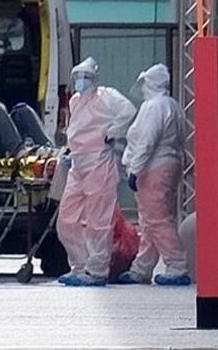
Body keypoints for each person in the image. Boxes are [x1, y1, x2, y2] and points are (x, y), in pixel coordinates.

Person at [55, 58, 138, 287]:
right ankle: (80, 265)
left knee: (98, 222)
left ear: (95, 78)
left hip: (99, 163)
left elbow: (128, 111)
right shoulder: (75, 101)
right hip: (78, 165)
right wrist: (71, 152)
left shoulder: (107, 97)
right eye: (78, 77)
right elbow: (76, 130)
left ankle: (97, 270)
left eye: (86, 77)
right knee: (66, 220)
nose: (81, 82)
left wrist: (112, 132)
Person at [117, 64, 191, 286]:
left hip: (153, 168)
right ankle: (142, 268)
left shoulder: (154, 107)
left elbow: (146, 143)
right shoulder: (172, 105)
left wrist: (135, 170)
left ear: (149, 83)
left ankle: (177, 265)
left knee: (157, 220)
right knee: (150, 221)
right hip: (167, 165)